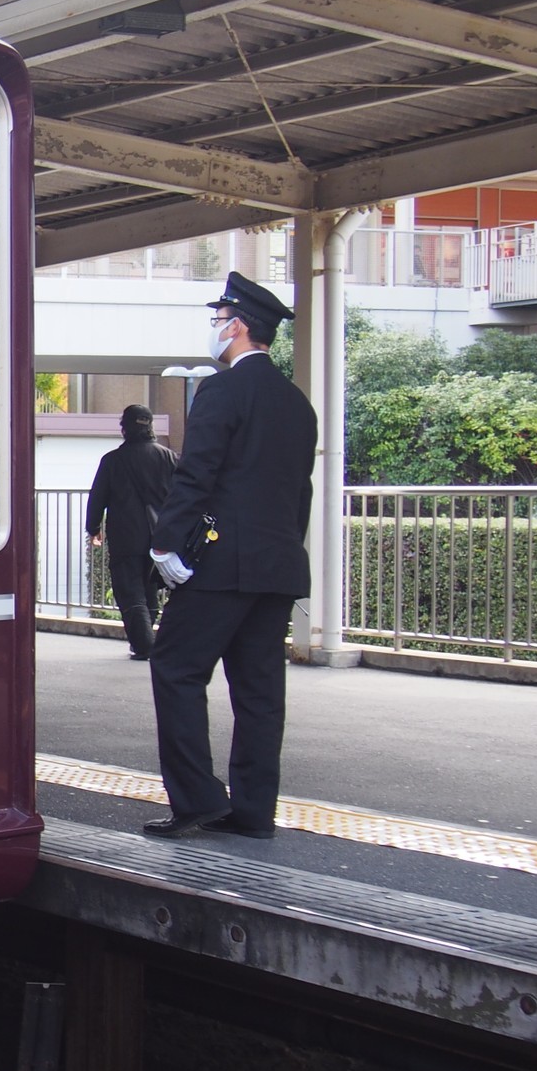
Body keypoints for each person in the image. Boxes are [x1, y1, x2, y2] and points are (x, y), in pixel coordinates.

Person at [142, 272, 317, 841]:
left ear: (238, 327)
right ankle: (253, 811)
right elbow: (301, 491)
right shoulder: (297, 403)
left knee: (176, 668)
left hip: (220, 567)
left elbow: (197, 473)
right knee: (260, 691)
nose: (215, 328)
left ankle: (196, 800)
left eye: (219, 320)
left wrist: (165, 541)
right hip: (278, 565)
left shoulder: (220, 391)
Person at [84, 404, 178, 659]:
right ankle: (146, 640)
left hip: (126, 535)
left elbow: (98, 497)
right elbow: (183, 496)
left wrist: (93, 528)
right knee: (150, 590)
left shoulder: (113, 460)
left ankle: (145, 645)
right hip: (162, 536)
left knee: (130, 591)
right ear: (150, 427)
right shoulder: (168, 458)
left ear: (124, 428)